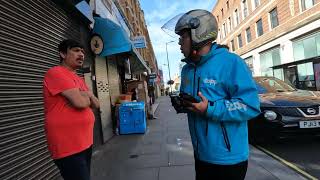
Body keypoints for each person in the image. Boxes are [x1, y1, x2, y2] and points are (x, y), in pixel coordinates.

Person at [169, 9, 261, 180]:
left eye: (183, 37)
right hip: (200, 154)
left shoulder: (231, 63)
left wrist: (210, 108)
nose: (180, 43)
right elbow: (195, 102)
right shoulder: (187, 69)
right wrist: (184, 104)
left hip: (228, 158)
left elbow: (250, 105)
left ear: (199, 34)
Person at [43, 39, 100, 180]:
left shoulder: (78, 78)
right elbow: (80, 102)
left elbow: (96, 104)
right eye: (75, 50)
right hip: (68, 146)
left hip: (85, 142)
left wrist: (88, 94)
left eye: (82, 51)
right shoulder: (56, 72)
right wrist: (85, 96)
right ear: (62, 54)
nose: (81, 54)